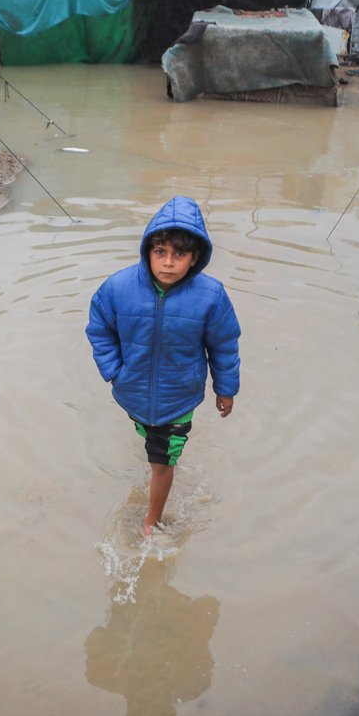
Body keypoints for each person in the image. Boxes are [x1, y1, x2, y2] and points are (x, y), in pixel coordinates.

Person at [86, 196, 241, 538]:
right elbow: (100, 329)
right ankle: (158, 454)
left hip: (179, 398)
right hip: (132, 391)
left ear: (195, 257)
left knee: (162, 462)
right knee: (149, 439)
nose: (168, 263)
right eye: (160, 252)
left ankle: (150, 522)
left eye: (179, 254)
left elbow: (224, 345)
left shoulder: (211, 296)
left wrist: (226, 389)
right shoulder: (118, 288)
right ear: (147, 251)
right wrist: (114, 371)